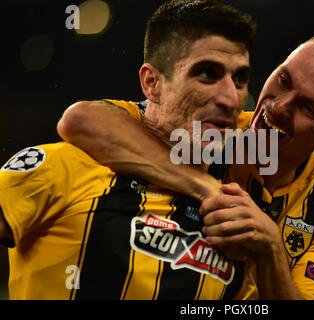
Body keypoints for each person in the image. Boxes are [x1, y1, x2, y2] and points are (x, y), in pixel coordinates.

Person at [58, 32, 314, 299]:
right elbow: (83, 120)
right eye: (284, 80)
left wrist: (271, 248)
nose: (279, 106)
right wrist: (204, 186)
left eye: (308, 109)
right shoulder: (210, 128)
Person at [0, 0, 258, 299]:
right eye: (207, 74)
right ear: (152, 83)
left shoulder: (236, 223)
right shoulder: (66, 166)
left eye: (240, 79)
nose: (230, 98)